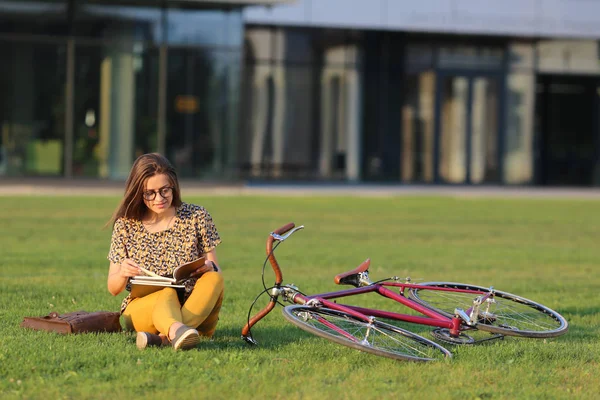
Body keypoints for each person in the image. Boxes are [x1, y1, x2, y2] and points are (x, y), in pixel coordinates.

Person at [107, 153, 224, 350]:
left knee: (215, 278)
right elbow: (113, 288)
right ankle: (178, 331)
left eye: (164, 190)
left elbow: (216, 269)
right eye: (149, 193)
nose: (159, 198)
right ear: (138, 192)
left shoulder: (197, 215)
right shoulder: (125, 225)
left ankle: (165, 337)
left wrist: (208, 267)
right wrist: (123, 273)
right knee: (166, 292)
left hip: (195, 308)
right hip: (144, 309)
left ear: (174, 186)